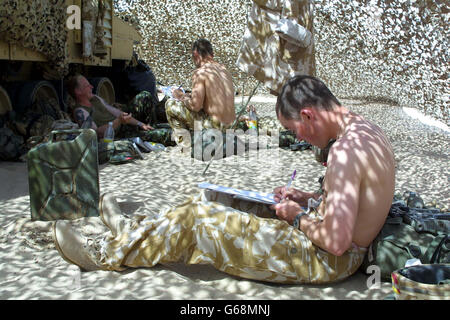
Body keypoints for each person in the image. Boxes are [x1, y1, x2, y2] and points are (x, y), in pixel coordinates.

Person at [53, 75, 395, 284]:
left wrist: (298, 216)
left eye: (294, 130)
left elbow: (336, 242)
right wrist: (307, 198)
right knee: (210, 203)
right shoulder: (364, 131)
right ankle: (133, 232)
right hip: (332, 244)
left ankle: (105, 252)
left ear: (308, 114)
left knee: (197, 221)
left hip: (327, 258)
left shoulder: (345, 153)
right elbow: (352, 202)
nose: (301, 139)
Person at [166, 39, 236, 134]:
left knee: (170, 104)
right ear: (212, 54)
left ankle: (186, 142)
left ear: (195, 54)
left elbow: (195, 106)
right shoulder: (224, 70)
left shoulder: (201, 72)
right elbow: (211, 98)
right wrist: (188, 95)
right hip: (231, 125)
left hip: (214, 126)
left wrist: (181, 96)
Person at [66, 74, 153, 140]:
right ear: (78, 91)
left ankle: (150, 126)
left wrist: (141, 124)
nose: (91, 87)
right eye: (87, 86)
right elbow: (96, 134)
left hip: (124, 125)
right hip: (117, 135)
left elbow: (118, 113)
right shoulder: (80, 111)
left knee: (144, 96)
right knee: (162, 134)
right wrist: (118, 121)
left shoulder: (95, 99)